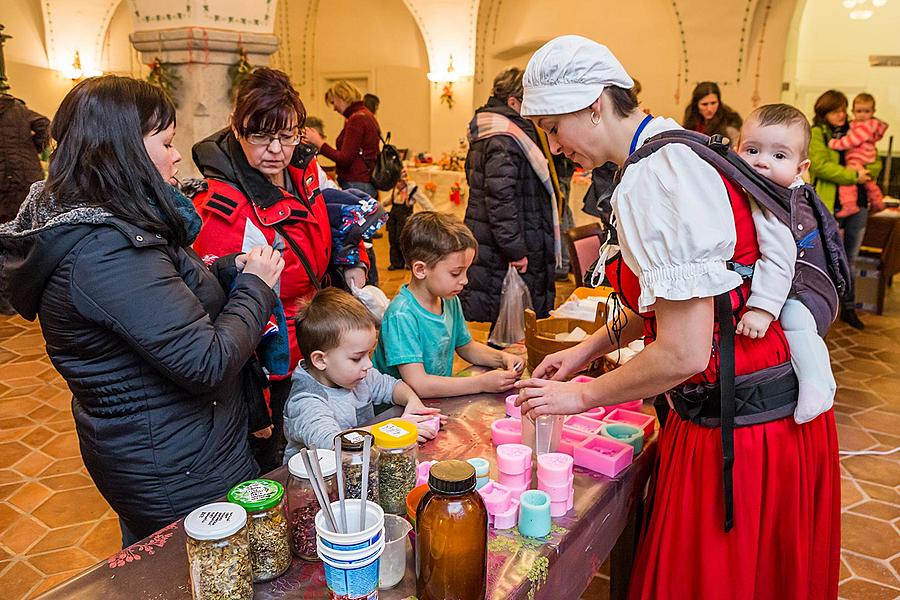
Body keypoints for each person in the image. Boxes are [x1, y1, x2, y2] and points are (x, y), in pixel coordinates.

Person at [516, 36, 839, 599]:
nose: (553, 143)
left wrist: (579, 398)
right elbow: (680, 303)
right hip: (752, 408)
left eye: (552, 125)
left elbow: (684, 351)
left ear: (594, 104)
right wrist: (587, 350)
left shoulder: (656, 179)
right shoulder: (674, 148)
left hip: (742, 427)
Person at [0, 76, 285, 545]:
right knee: (203, 571)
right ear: (124, 150)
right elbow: (206, 361)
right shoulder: (105, 251)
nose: (177, 155)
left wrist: (228, 270)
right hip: (177, 462)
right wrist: (256, 287)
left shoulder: (118, 221)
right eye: (167, 142)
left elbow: (170, 301)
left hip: (181, 442)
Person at [192, 68, 368, 472]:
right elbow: (220, 299)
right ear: (237, 129)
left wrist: (352, 257)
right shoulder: (224, 205)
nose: (277, 149)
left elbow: (333, 213)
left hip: (321, 329)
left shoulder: (304, 166)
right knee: (293, 457)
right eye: (261, 136)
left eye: (288, 135)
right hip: (276, 356)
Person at [735, 103, 836, 423]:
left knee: (794, 321)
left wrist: (762, 309)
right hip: (806, 282)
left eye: (779, 156)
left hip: (807, 291)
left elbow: (778, 259)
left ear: (800, 167)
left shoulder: (773, 203)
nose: (762, 162)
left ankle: (818, 383)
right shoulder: (775, 189)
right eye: (752, 150)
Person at [373, 211, 524, 398]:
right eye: (455, 273)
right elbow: (419, 384)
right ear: (420, 269)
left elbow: (466, 346)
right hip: (399, 414)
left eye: (466, 271)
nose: (465, 281)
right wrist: (481, 383)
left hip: (434, 402)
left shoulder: (449, 300)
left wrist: (502, 358)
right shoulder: (401, 316)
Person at [282, 288, 443, 457]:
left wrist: (412, 402)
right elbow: (334, 444)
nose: (368, 364)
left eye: (369, 353)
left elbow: (393, 386)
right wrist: (394, 429)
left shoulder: (359, 375)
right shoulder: (306, 402)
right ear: (321, 360)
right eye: (357, 358)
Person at [461, 66, 559, 325]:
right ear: (513, 101)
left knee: (509, 321)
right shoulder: (504, 137)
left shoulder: (499, 131)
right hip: (508, 245)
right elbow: (500, 200)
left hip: (508, 238)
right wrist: (516, 250)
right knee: (512, 322)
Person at [808, 89, 880, 330]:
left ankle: (848, 307)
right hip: (830, 205)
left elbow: (874, 158)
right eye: (835, 111)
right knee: (827, 258)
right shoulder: (818, 133)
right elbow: (820, 166)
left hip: (858, 203)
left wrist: (868, 172)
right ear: (824, 112)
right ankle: (825, 306)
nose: (841, 115)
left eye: (842, 110)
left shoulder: (855, 130)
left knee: (851, 259)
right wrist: (853, 175)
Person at [304, 80, 382, 285]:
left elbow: (345, 157)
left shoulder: (356, 120)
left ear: (341, 97)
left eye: (333, 102)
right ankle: (369, 284)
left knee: (358, 242)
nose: (334, 108)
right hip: (365, 181)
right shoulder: (366, 115)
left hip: (356, 182)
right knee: (363, 240)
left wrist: (318, 143)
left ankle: (366, 285)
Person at [827, 92, 888, 218]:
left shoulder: (865, 126)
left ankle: (849, 205)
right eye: (859, 111)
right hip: (865, 157)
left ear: (873, 112)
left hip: (859, 157)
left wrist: (835, 143)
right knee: (869, 182)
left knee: (848, 181)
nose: (862, 115)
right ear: (853, 111)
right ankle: (877, 201)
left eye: (867, 111)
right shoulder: (861, 124)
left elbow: (852, 141)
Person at [0, 92, 49, 222]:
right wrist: (33, 148)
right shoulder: (18, 108)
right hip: (28, 174)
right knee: (31, 219)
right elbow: (44, 124)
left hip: (5, 179)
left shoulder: (17, 108)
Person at [386, 167, 435, 270]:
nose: (398, 183)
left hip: (405, 216)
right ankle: (395, 263)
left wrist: (433, 211)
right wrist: (379, 205)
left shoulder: (412, 189)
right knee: (392, 239)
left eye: (400, 181)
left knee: (403, 240)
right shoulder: (395, 188)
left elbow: (423, 200)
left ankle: (408, 262)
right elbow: (389, 199)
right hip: (394, 216)